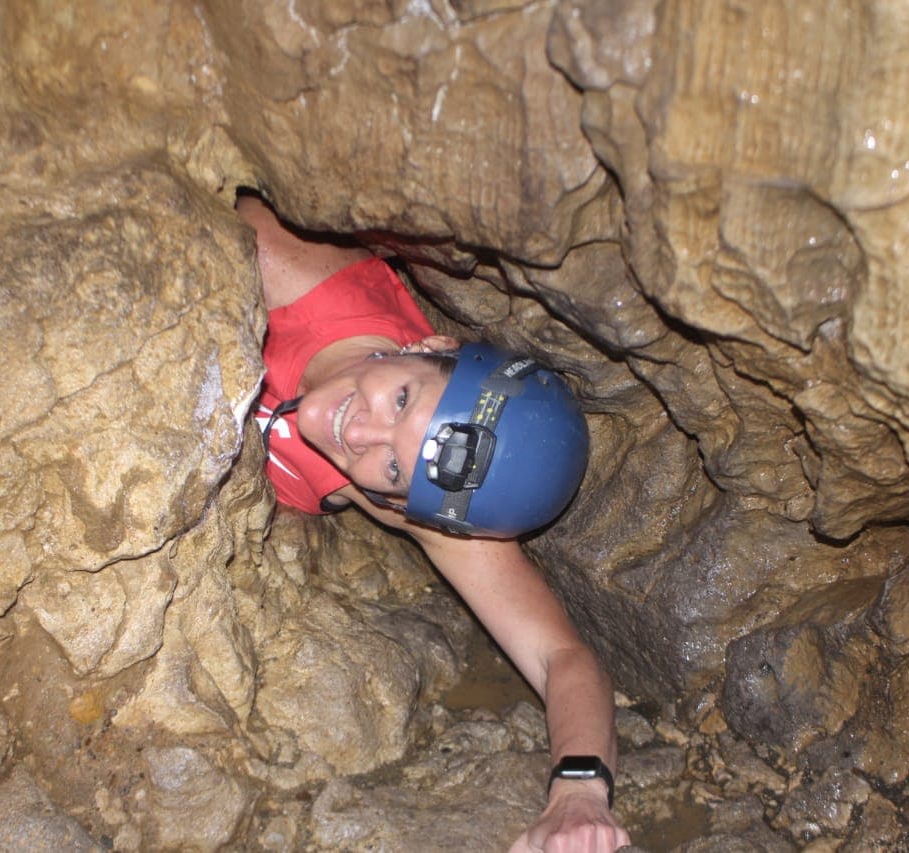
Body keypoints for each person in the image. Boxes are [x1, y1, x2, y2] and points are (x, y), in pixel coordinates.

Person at [239, 195, 631, 852]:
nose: (360, 429)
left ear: (407, 507)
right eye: (402, 397)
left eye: (392, 469)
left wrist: (580, 791)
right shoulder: (281, 265)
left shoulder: (431, 507)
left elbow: (561, 658)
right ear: (432, 345)